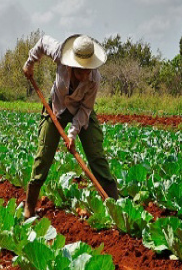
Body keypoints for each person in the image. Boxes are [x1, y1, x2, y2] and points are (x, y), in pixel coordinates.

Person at [23, 34, 119, 218]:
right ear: (72, 63)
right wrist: (30, 63)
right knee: (44, 154)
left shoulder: (94, 79)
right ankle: (29, 207)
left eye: (87, 70)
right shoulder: (60, 53)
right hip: (57, 108)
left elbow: (85, 109)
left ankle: (115, 207)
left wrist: (73, 134)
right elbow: (42, 42)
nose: (84, 75)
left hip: (82, 111)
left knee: (96, 153)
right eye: (80, 70)